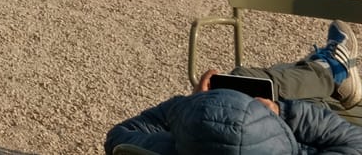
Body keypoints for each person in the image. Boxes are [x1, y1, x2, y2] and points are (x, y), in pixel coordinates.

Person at [106, 23, 362, 154]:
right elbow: (354, 141)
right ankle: (329, 72)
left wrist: (195, 105)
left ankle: (322, 70)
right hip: (313, 115)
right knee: (288, 89)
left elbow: (120, 135)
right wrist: (281, 111)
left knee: (240, 77)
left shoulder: (170, 148)